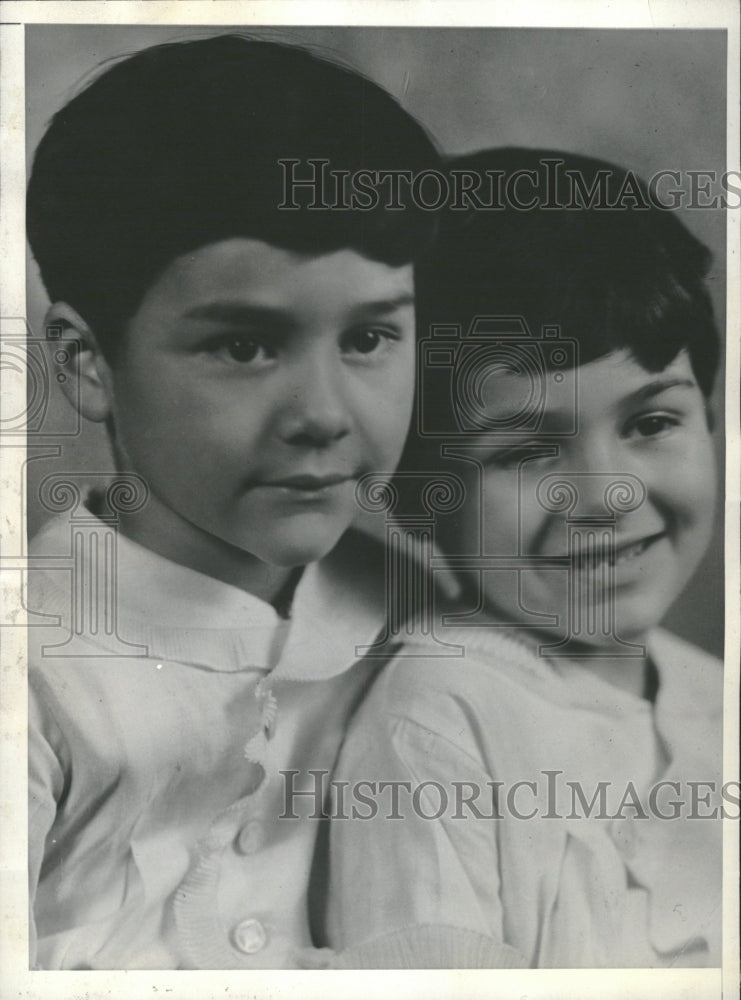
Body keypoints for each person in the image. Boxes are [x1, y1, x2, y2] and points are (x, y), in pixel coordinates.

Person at [25, 33, 442, 970]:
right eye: (248, 348)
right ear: (88, 362)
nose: (324, 416)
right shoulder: (37, 669)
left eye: (370, 337)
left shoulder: (407, 602)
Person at [327, 148, 724, 968]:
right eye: (528, 454)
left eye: (651, 424)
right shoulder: (440, 720)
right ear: (415, 491)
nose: (607, 495)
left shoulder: (711, 693)